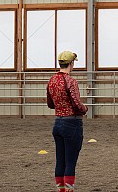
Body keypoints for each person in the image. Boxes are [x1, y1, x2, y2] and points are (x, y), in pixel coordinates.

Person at [46, 51, 88, 192]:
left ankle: (61, 190)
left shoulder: (52, 80)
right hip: (72, 124)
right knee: (70, 162)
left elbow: (50, 104)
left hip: (57, 123)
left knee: (60, 161)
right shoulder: (71, 81)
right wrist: (84, 109)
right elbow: (76, 103)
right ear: (71, 63)